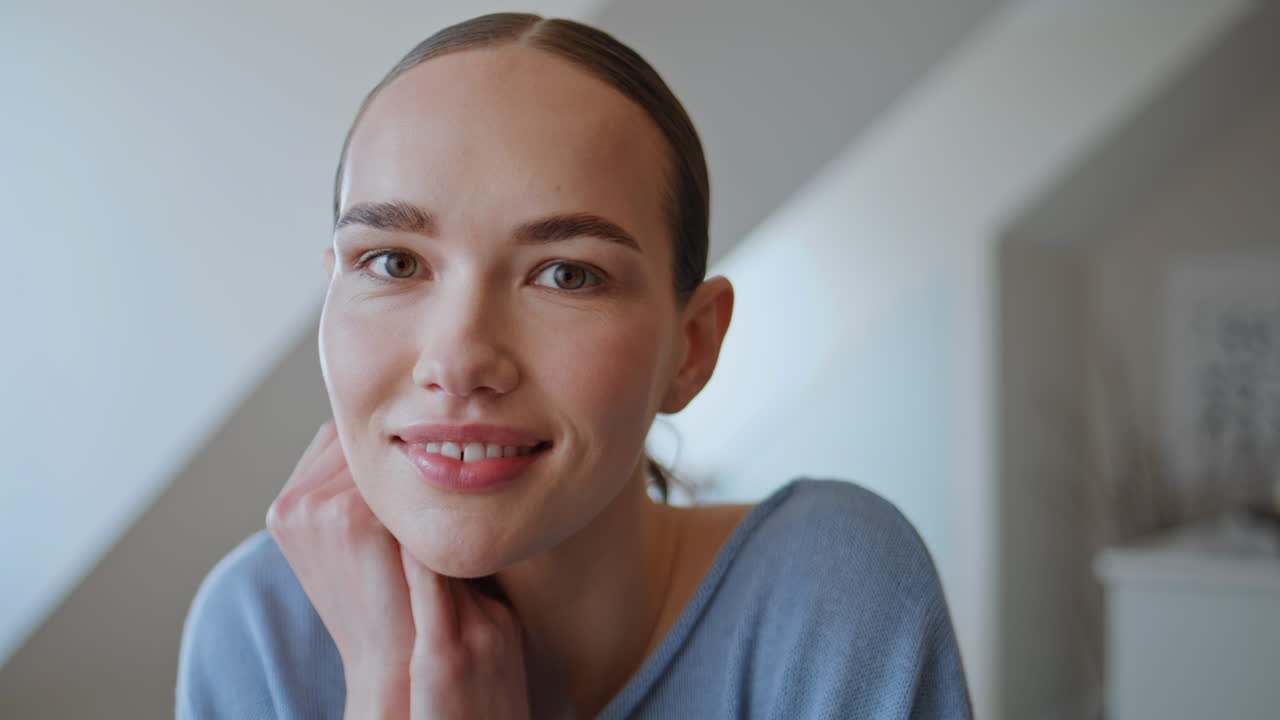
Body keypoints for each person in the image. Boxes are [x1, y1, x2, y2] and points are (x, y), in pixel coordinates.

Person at [176, 12, 972, 719]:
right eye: (392, 263)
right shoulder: (257, 628)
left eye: (567, 274)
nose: (458, 362)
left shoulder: (829, 593)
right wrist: (385, 684)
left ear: (691, 348)